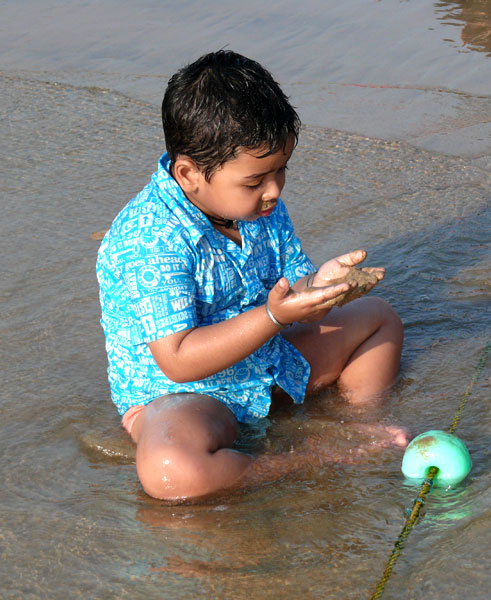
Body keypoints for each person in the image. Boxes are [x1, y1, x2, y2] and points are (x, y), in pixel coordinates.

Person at [96, 50, 405, 500]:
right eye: (256, 180)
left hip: (266, 358)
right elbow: (178, 360)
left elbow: (290, 282)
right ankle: (310, 458)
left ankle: (358, 425)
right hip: (187, 396)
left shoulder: (259, 205)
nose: (275, 190)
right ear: (189, 174)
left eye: (281, 171)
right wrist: (275, 318)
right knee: (171, 470)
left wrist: (317, 286)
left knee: (378, 318)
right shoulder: (150, 237)